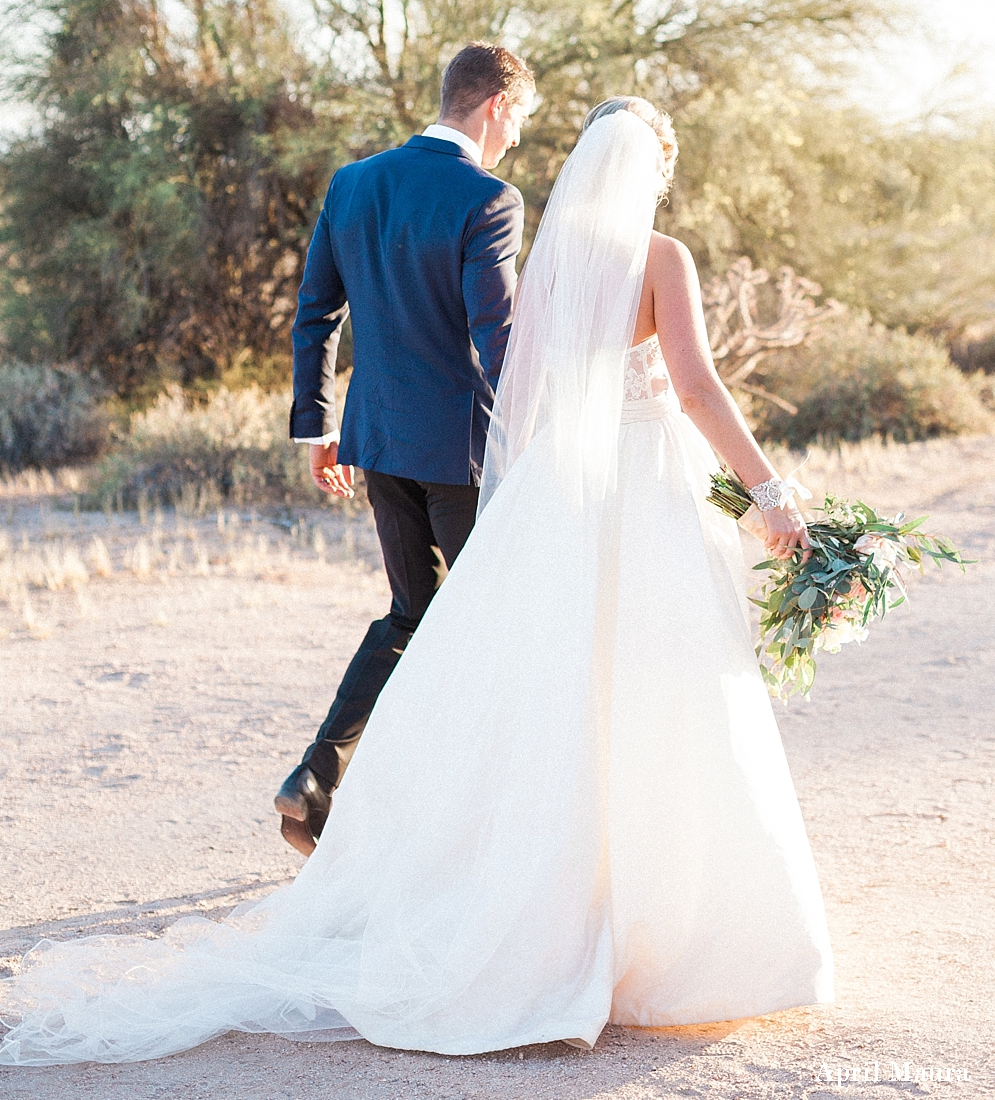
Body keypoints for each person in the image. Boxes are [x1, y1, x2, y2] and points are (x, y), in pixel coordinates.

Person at [0, 96, 833, 1067]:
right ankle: (664, 933)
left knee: (523, 680)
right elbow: (690, 386)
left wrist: (512, 502)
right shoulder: (658, 257)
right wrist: (767, 491)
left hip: (527, 486)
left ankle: (494, 874)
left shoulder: (549, 259)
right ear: (649, 167)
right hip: (641, 491)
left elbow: (513, 382)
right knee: (662, 691)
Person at [276, 43, 534, 854]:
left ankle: (317, 775)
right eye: (520, 119)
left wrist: (316, 426)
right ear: (495, 104)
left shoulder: (354, 182)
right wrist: (541, 432)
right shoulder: (488, 197)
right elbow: (500, 337)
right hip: (461, 454)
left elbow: (315, 312)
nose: (518, 139)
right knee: (499, 622)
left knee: (411, 614)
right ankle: (480, 818)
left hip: (376, 442)